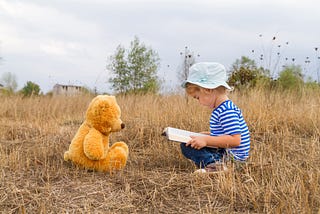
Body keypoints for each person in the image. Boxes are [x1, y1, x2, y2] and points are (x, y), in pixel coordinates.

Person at [180, 62, 250, 173]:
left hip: (232, 158)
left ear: (207, 90)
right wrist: (205, 135)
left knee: (187, 147)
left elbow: (235, 140)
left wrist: (206, 140)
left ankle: (216, 166)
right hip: (225, 151)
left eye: (197, 98)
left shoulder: (226, 110)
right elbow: (224, 135)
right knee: (188, 143)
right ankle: (215, 164)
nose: (199, 102)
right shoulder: (222, 108)